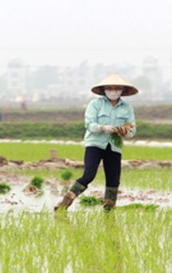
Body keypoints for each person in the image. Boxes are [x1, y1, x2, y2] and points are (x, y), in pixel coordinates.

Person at [54, 74, 138, 212]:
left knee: (113, 181)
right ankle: (65, 202)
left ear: (122, 90)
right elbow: (89, 124)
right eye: (110, 88)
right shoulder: (95, 104)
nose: (113, 91)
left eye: (117, 88)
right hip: (95, 144)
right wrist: (103, 128)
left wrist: (124, 131)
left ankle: (109, 211)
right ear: (104, 90)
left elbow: (132, 130)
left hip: (114, 146)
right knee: (89, 175)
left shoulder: (127, 108)